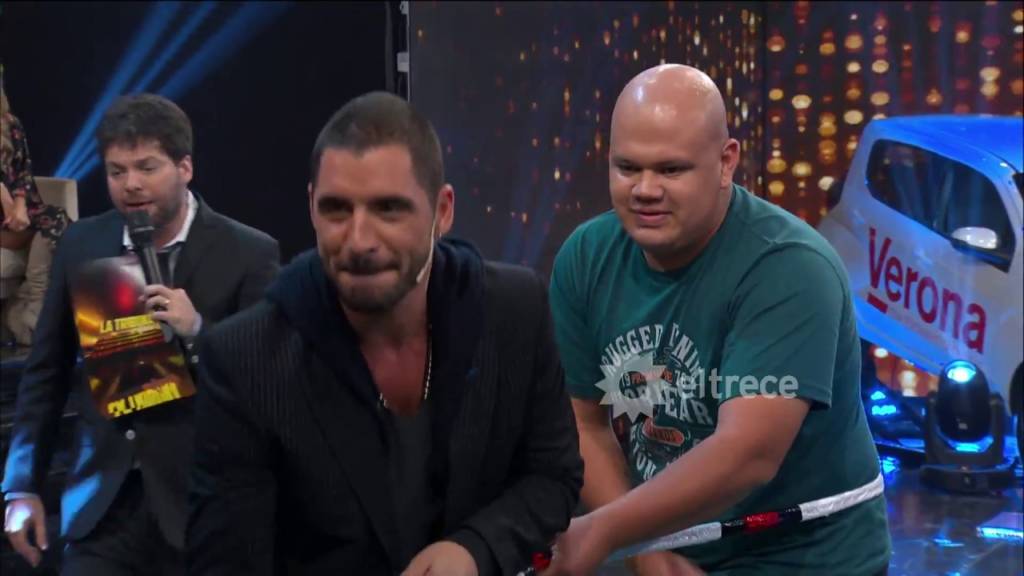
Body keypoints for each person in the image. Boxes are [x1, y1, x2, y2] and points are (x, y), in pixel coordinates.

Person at [185, 91, 583, 575]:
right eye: (336, 209)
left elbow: (553, 476)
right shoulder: (245, 358)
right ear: (310, 207)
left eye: (389, 209)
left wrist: (476, 548)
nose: (359, 240)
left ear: (443, 210)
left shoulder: (514, 310)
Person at [543, 64, 891, 575]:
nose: (644, 189)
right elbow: (583, 421)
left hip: (799, 556)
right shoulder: (586, 256)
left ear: (726, 162)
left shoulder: (790, 267)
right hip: (657, 537)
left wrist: (607, 531)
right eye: (627, 168)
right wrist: (647, 553)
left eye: (670, 170)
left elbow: (748, 455)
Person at [2, 93, 281, 575]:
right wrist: (21, 485)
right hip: (102, 509)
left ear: (185, 167)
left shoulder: (248, 253)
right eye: (117, 171)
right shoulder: (83, 244)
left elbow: (267, 382)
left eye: (147, 168)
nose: (131, 184)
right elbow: (45, 373)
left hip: (202, 511)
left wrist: (198, 332)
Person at [1, 83, 71, 344]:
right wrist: (4, 198)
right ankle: (29, 311)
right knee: (54, 223)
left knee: (57, 218)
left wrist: (19, 203)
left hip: (17, 212)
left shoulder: (10, 123)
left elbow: (23, 169)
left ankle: (33, 303)